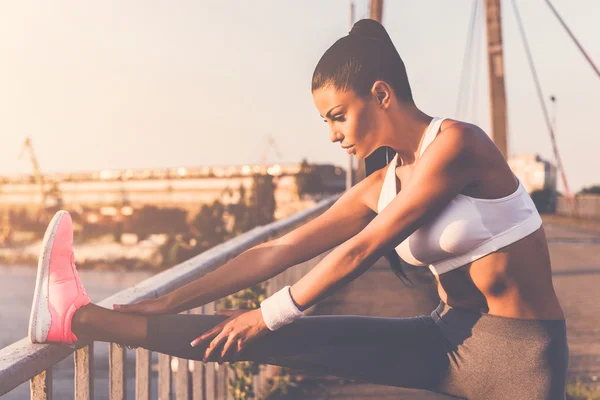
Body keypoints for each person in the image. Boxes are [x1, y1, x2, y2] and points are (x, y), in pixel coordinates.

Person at [27, 19, 568, 399]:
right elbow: (277, 251)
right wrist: (164, 301)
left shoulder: (459, 144)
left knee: (265, 326)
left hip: (520, 359)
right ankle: (76, 317)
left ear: (380, 94)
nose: (331, 135)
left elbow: (364, 247)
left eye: (337, 115)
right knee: (255, 337)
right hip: (445, 337)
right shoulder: (381, 183)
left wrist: (269, 313)